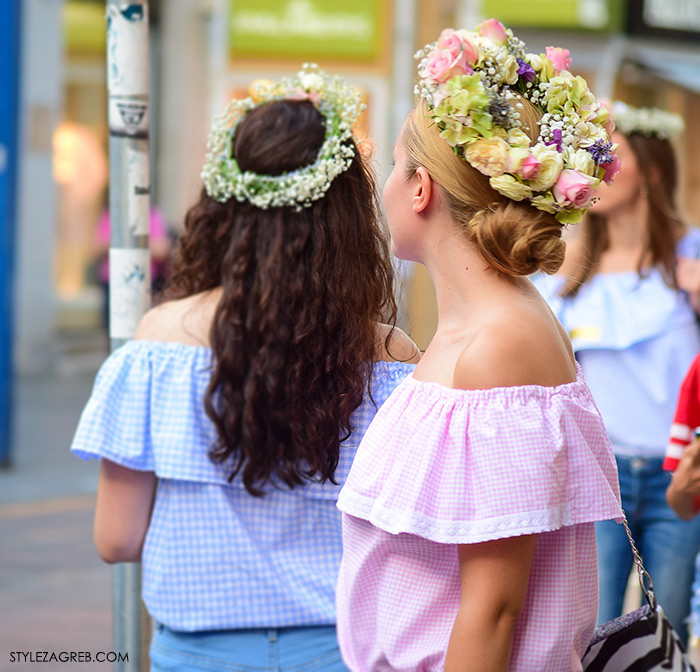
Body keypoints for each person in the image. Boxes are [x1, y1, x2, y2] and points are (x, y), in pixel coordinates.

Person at [70, 64, 420, 672]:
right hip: (350, 648)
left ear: (222, 204)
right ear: (346, 217)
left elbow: (116, 539)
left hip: (200, 652)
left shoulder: (158, 346)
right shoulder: (391, 355)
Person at [335, 20, 622, 671]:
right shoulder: (476, 331)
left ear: (421, 189)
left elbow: (494, 609)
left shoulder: (500, 344)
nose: (383, 189)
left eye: (397, 167)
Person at [534, 99, 700, 647]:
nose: (596, 167)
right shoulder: (569, 267)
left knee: (665, 635)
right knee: (592, 632)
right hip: (598, 477)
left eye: (613, 155)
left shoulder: (691, 255)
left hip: (679, 477)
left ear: (651, 168)